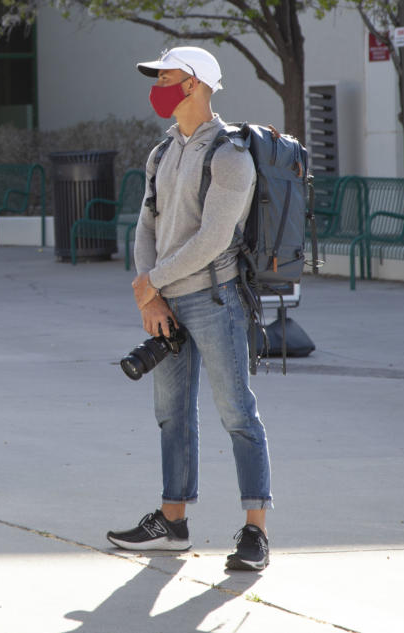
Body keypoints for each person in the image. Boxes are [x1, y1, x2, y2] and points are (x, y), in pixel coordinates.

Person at [106, 46, 273, 571]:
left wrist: (149, 283)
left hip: (214, 299)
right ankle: (172, 522)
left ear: (195, 84)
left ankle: (255, 533)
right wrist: (150, 294)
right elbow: (146, 225)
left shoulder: (230, 155)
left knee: (237, 414)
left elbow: (213, 240)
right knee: (171, 415)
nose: (156, 84)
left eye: (166, 76)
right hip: (167, 302)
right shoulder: (162, 152)